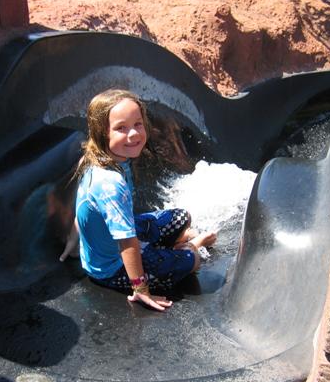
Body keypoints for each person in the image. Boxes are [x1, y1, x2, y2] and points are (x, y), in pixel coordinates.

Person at [59, 89, 216, 311]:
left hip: (119, 236)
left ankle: (174, 247)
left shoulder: (98, 157)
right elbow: (127, 242)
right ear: (102, 132)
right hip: (113, 269)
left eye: (138, 124)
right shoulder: (110, 184)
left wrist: (73, 240)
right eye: (121, 128)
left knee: (182, 217)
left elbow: (84, 205)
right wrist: (141, 289)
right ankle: (190, 246)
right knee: (193, 261)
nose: (133, 134)